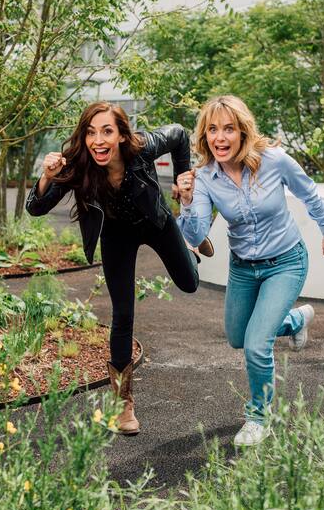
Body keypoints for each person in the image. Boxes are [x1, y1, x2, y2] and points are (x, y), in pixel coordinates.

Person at [26, 101, 212, 435]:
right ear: (84, 137)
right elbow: (36, 208)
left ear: (122, 135)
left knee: (189, 283)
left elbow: (180, 136)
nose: (98, 139)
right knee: (122, 314)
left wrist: (183, 188)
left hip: (157, 222)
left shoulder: (143, 146)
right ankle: (123, 405)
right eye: (91, 132)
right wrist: (46, 176)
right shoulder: (79, 167)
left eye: (107, 131)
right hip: (117, 236)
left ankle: (190, 240)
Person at [177, 95, 324, 447]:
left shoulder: (274, 161)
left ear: (242, 132)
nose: (219, 137)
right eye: (212, 130)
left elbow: (308, 193)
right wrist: (187, 202)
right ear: (205, 136)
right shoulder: (204, 178)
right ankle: (295, 321)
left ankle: (257, 418)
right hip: (243, 269)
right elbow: (195, 234)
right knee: (238, 337)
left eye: (228, 129)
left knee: (256, 346)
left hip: (286, 261)